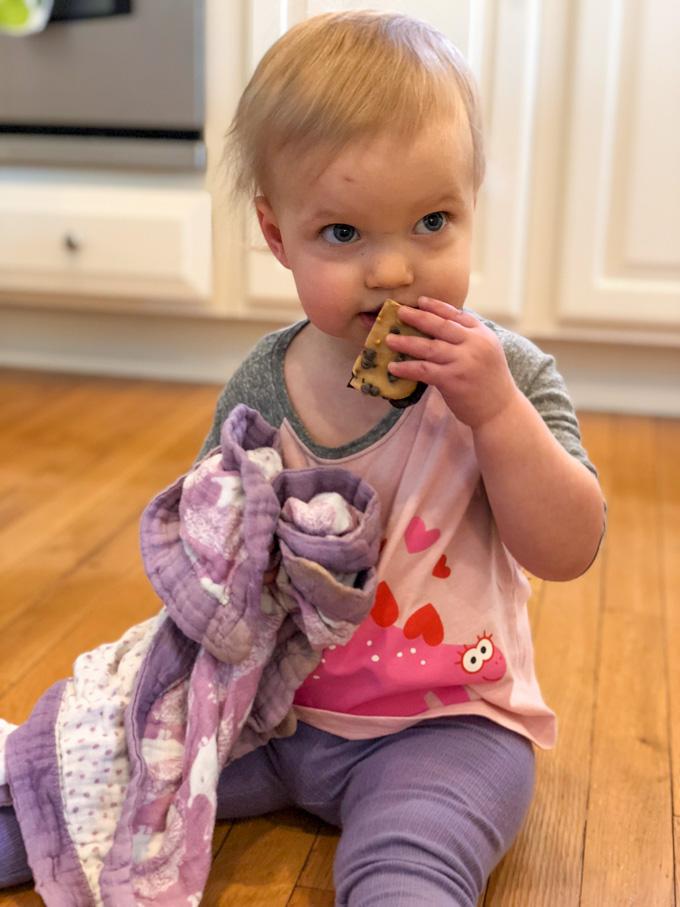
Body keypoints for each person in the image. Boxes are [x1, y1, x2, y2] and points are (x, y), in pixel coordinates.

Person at [0, 10, 606, 905]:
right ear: (279, 235)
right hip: (273, 715)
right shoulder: (263, 385)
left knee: (407, 859)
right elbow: (211, 553)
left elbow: (569, 546)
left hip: (444, 725)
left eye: (431, 221)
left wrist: (496, 415)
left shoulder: (508, 377)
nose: (393, 271)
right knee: (108, 775)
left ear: (473, 206)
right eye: (344, 235)